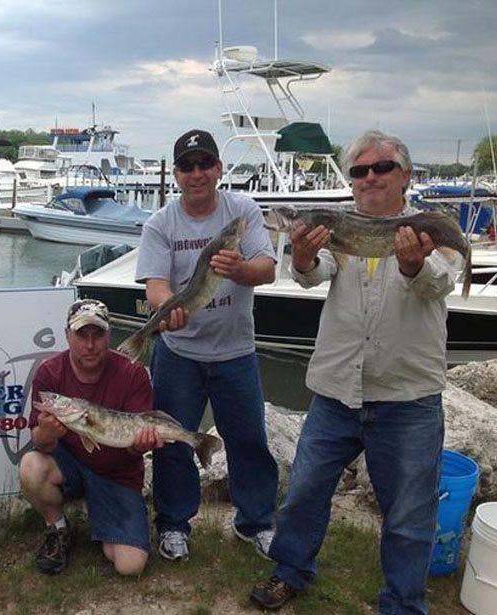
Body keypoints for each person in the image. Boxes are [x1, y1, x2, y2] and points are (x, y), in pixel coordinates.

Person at [250, 130, 457, 613]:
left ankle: (404, 602)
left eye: (381, 167)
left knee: (408, 514)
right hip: (336, 389)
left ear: (403, 174)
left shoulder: (432, 227)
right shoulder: (339, 226)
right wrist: (300, 255)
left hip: (407, 396)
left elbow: (440, 283)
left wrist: (413, 266)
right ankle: (290, 571)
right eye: (359, 171)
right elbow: (312, 273)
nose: (369, 178)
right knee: (302, 492)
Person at [135, 129, 279, 561]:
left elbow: (267, 269)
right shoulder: (161, 224)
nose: (196, 173)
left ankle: (255, 523)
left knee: (248, 439)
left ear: (218, 169)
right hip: (178, 354)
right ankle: (175, 524)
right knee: (174, 441)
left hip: (236, 351)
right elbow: (157, 287)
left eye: (204, 164)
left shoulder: (243, 212)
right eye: (187, 166)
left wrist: (240, 269)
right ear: (176, 174)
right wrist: (168, 312)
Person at [20, 298, 162, 576]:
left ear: (109, 335)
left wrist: (139, 446)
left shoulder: (133, 373)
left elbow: (134, 445)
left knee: (129, 566)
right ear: (67, 336)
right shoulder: (49, 373)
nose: (90, 344)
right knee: (31, 466)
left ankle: (105, 518)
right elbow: (40, 443)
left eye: (98, 335)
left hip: (117, 474)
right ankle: (58, 527)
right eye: (81, 335)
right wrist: (47, 434)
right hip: (70, 465)